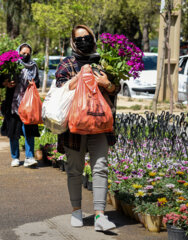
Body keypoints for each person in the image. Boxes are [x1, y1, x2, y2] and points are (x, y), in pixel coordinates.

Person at [55, 25, 120, 231]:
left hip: (100, 124)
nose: (84, 41)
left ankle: (100, 215)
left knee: (100, 168)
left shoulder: (104, 62)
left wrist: (107, 83)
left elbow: (115, 88)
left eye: (87, 37)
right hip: (74, 126)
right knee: (75, 170)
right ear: (73, 41)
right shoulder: (67, 64)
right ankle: (76, 210)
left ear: (93, 38)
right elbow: (60, 88)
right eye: (79, 38)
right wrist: (80, 77)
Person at [0, 43, 40, 168]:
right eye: (23, 53)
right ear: (18, 52)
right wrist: (7, 83)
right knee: (13, 132)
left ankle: (29, 157)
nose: (25, 55)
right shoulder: (12, 65)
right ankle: (15, 157)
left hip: (28, 105)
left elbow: (38, 82)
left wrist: (33, 83)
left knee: (29, 132)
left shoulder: (33, 66)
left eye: (27, 53)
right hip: (13, 105)